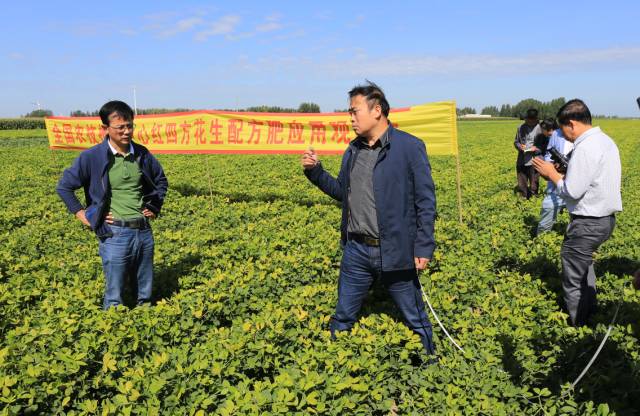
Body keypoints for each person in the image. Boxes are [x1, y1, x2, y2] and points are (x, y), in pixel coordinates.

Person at [301, 81, 436, 356]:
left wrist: (423, 246)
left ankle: (429, 365)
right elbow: (342, 192)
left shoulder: (409, 147)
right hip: (356, 251)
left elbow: (425, 201)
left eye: (354, 111)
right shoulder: (353, 150)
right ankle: (334, 363)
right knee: (343, 316)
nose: (350, 118)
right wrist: (315, 172)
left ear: (377, 110)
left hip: (395, 249)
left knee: (415, 318)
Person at [57, 101, 168, 309]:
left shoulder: (142, 154)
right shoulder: (92, 157)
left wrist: (154, 205)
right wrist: (84, 215)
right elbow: (64, 187)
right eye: (120, 127)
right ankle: (114, 324)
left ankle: (146, 319)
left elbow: (161, 181)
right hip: (114, 232)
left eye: (130, 126)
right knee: (115, 292)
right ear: (105, 129)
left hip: (143, 230)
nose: (127, 132)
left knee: (144, 290)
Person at [532, 99, 621, 326]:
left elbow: (572, 191)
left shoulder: (585, 146)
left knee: (573, 273)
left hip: (587, 222)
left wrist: (551, 174)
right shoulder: (605, 141)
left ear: (571, 124)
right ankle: (591, 310)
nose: (564, 136)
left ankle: (579, 325)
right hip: (605, 220)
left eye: (563, 130)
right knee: (585, 265)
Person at [536, 118, 573, 235]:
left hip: (577, 184)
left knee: (578, 218)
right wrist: (551, 165)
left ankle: (574, 241)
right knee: (548, 207)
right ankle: (541, 239)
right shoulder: (556, 134)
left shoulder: (584, 138)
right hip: (556, 182)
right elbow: (548, 153)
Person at [514, 108, 547, 199]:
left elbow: (546, 145)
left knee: (534, 183)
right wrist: (520, 147)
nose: (530, 121)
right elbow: (516, 142)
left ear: (536, 119)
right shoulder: (520, 128)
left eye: (532, 120)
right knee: (522, 182)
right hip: (522, 159)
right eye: (528, 119)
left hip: (535, 160)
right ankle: (523, 199)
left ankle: (534, 199)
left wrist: (537, 149)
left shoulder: (541, 129)